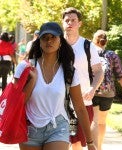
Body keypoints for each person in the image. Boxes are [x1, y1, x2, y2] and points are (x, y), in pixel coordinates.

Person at [14, 21, 96, 150]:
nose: (49, 41)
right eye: (45, 38)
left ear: (60, 41)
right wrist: (32, 81)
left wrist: (90, 142)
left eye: (53, 37)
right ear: (39, 41)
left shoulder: (69, 71)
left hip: (58, 128)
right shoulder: (25, 67)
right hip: (29, 127)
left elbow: (80, 107)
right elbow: (16, 103)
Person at [62, 7, 104, 150]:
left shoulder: (87, 45)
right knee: (62, 140)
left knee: (76, 143)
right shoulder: (57, 44)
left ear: (79, 23)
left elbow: (99, 71)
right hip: (59, 103)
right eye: (67, 20)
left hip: (82, 103)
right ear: (62, 23)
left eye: (73, 20)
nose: (70, 23)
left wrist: (93, 88)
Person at [91, 29, 122, 150]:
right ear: (106, 42)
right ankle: (100, 147)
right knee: (102, 122)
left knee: (94, 120)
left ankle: (95, 147)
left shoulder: (91, 53)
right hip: (108, 93)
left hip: (93, 90)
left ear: (94, 40)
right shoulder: (112, 55)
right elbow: (121, 76)